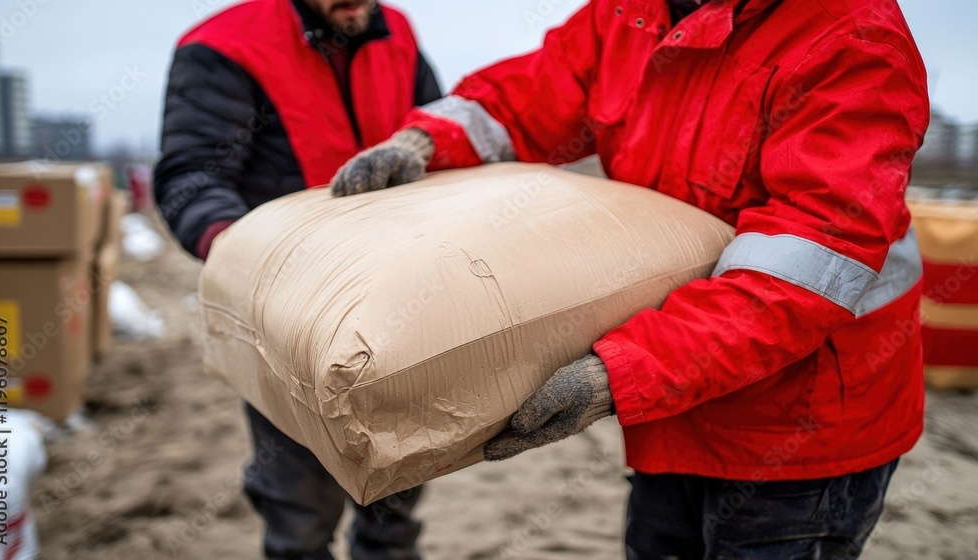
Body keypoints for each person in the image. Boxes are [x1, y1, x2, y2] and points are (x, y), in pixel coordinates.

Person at [330, 0, 929, 558]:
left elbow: (806, 268)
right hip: (675, 410)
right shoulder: (630, 14)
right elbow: (529, 97)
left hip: (801, 430)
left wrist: (619, 375)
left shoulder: (852, 37)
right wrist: (427, 139)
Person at [153, 0, 441, 558]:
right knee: (298, 507)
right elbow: (193, 177)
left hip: (394, 299)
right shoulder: (222, 46)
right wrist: (244, 256)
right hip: (283, 313)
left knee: (397, 485)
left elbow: (431, 136)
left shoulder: (396, 31)